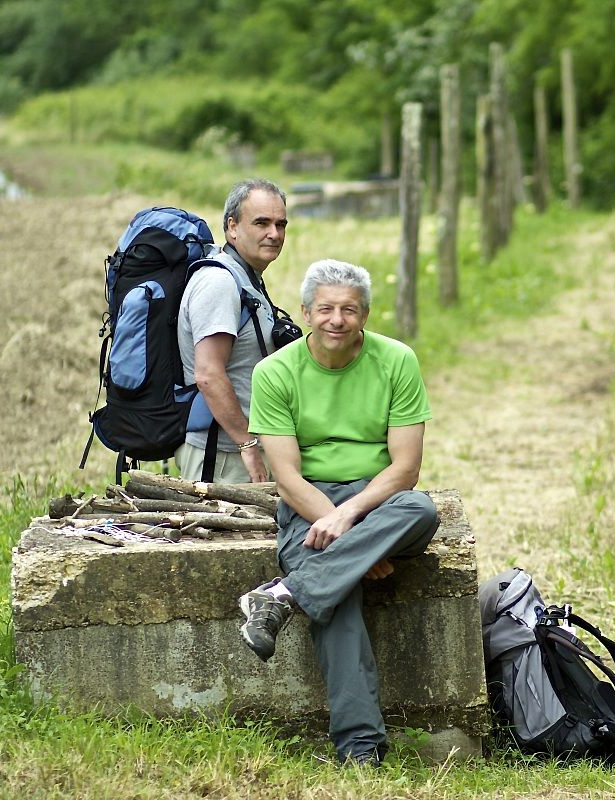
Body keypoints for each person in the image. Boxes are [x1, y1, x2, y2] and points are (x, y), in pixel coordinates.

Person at [237, 259, 439, 766]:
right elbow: (287, 478)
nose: (337, 320)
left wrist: (351, 520)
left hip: (379, 499)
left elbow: (406, 469)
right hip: (308, 505)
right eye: (325, 308)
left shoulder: (397, 361)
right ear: (306, 311)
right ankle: (361, 747)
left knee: (419, 509)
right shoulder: (275, 372)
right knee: (339, 595)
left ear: (365, 315)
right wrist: (353, 547)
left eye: (349, 310)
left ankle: (283, 595)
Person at [176, 178, 289, 483]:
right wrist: (247, 444)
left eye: (281, 224)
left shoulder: (246, 278)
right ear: (232, 227)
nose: (274, 234)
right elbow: (208, 374)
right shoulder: (220, 282)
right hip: (222, 454)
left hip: (238, 450)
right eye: (262, 223)